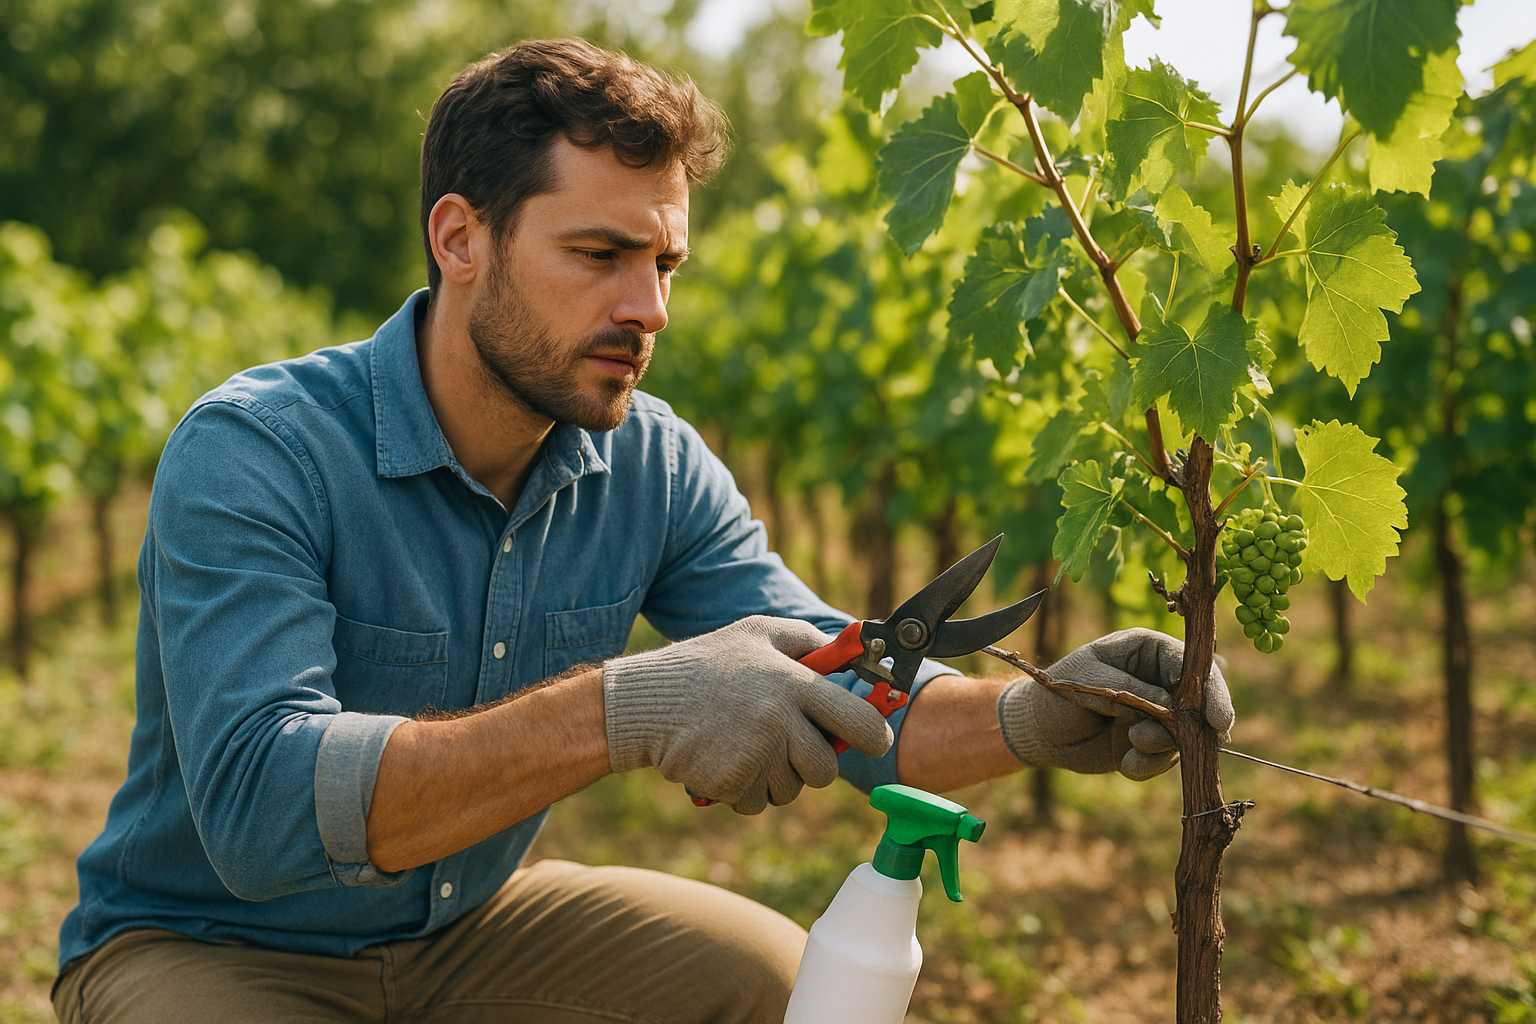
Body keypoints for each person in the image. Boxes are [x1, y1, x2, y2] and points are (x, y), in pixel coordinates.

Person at [52, 38, 1233, 1024]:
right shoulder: (257, 449)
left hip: (471, 928)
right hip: (207, 944)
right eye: (601, 254)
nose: (649, 306)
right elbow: (262, 814)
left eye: (664, 260)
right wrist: (625, 707)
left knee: (783, 983)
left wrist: (1031, 715)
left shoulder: (648, 457)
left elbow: (842, 676)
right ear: (460, 239)